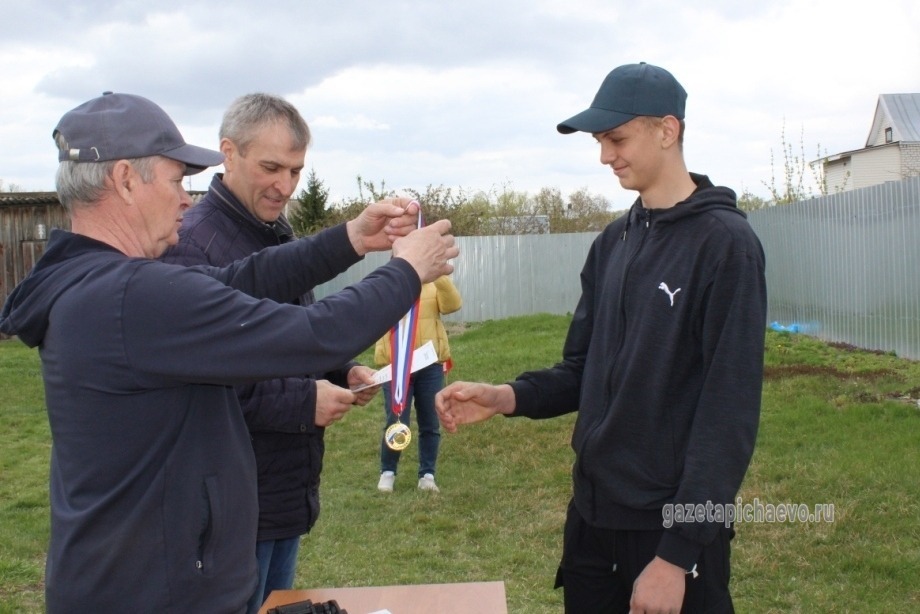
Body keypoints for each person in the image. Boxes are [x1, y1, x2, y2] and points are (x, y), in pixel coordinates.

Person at [0, 91, 457, 613]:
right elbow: (311, 333)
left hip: (140, 579)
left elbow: (243, 280)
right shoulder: (131, 298)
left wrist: (352, 237)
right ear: (126, 180)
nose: (185, 199)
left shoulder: (103, 287)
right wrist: (405, 271)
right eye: (175, 181)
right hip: (159, 594)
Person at [436, 62, 766, 613]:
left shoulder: (725, 244)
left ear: (668, 130)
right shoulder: (613, 242)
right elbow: (584, 368)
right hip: (592, 520)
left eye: (616, 138)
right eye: (599, 141)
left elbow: (727, 416)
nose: (605, 155)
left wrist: (676, 557)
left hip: (668, 534)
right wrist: (507, 397)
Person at [161, 92, 383, 613]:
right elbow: (202, 382)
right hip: (228, 504)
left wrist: (341, 369)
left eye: (297, 171)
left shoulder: (272, 232)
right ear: (227, 154)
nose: (285, 186)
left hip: (279, 490)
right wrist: (302, 402)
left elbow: (289, 334)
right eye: (271, 168)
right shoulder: (192, 247)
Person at [375, 274, 462, 493]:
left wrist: (439, 275)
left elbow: (453, 305)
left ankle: (427, 475)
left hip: (429, 365)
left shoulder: (434, 283)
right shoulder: (387, 281)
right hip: (396, 366)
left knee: (430, 422)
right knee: (396, 420)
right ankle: (388, 472)